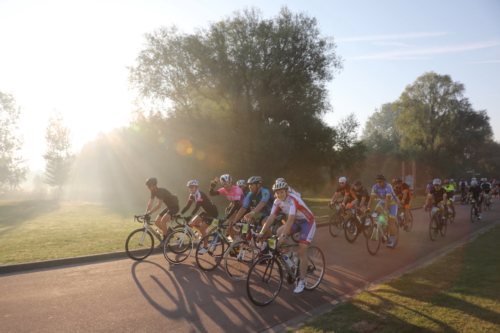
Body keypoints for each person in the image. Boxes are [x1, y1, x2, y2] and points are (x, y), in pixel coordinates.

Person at [259, 180, 316, 293]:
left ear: (286, 191)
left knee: (301, 250)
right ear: (275, 194)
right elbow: (270, 218)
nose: (280, 195)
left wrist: (283, 237)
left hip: (307, 222)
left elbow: (290, 219)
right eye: (277, 193)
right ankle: (289, 256)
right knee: (279, 232)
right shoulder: (277, 201)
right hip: (296, 221)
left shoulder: (293, 200)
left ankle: (303, 280)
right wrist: (261, 233)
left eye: (282, 192)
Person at [180, 180, 219, 254]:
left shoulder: (199, 194)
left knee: (201, 229)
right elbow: (188, 206)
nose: (190, 189)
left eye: (192, 187)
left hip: (212, 212)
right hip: (205, 211)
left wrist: (190, 215)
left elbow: (197, 207)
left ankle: (205, 247)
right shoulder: (192, 195)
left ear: (196, 187)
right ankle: (206, 233)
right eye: (189, 187)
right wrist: (180, 213)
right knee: (193, 223)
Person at [144, 178, 180, 248]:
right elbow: (150, 203)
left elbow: (159, 205)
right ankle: (169, 234)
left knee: (163, 220)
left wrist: (150, 212)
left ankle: (165, 240)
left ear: (154, 185)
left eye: (149, 186)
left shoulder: (161, 191)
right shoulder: (153, 191)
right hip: (169, 207)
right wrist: (145, 213)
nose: (149, 188)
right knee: (157, 222)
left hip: (175, 207)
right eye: (147, 187)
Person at [209, 174, 244, 242]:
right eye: (225, 183)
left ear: (231, 182)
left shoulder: (237, 189)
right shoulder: (224, 190)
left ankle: (238, 237)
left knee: (231, 219)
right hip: (237, 207)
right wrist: (212, 186)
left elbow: (236, 205)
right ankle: (235, 243)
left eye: (229, 182)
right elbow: (212, 193)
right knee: (228, 230)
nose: (227, 184)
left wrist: (227, 217)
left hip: (244, 207)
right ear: (222, 184)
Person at [366, 174, 399, 248]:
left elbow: (388, 199)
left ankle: (391, 240)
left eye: (380, 182)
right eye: (377, 182)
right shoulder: (375, 187)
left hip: (392, 203)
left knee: (391, 221)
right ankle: (382, 226)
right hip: (383, 202)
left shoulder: (388, 186)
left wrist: (386, 210)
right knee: (375, 211)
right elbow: (371, 198)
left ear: (383, 181)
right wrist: (368, 208)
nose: (378, 183)